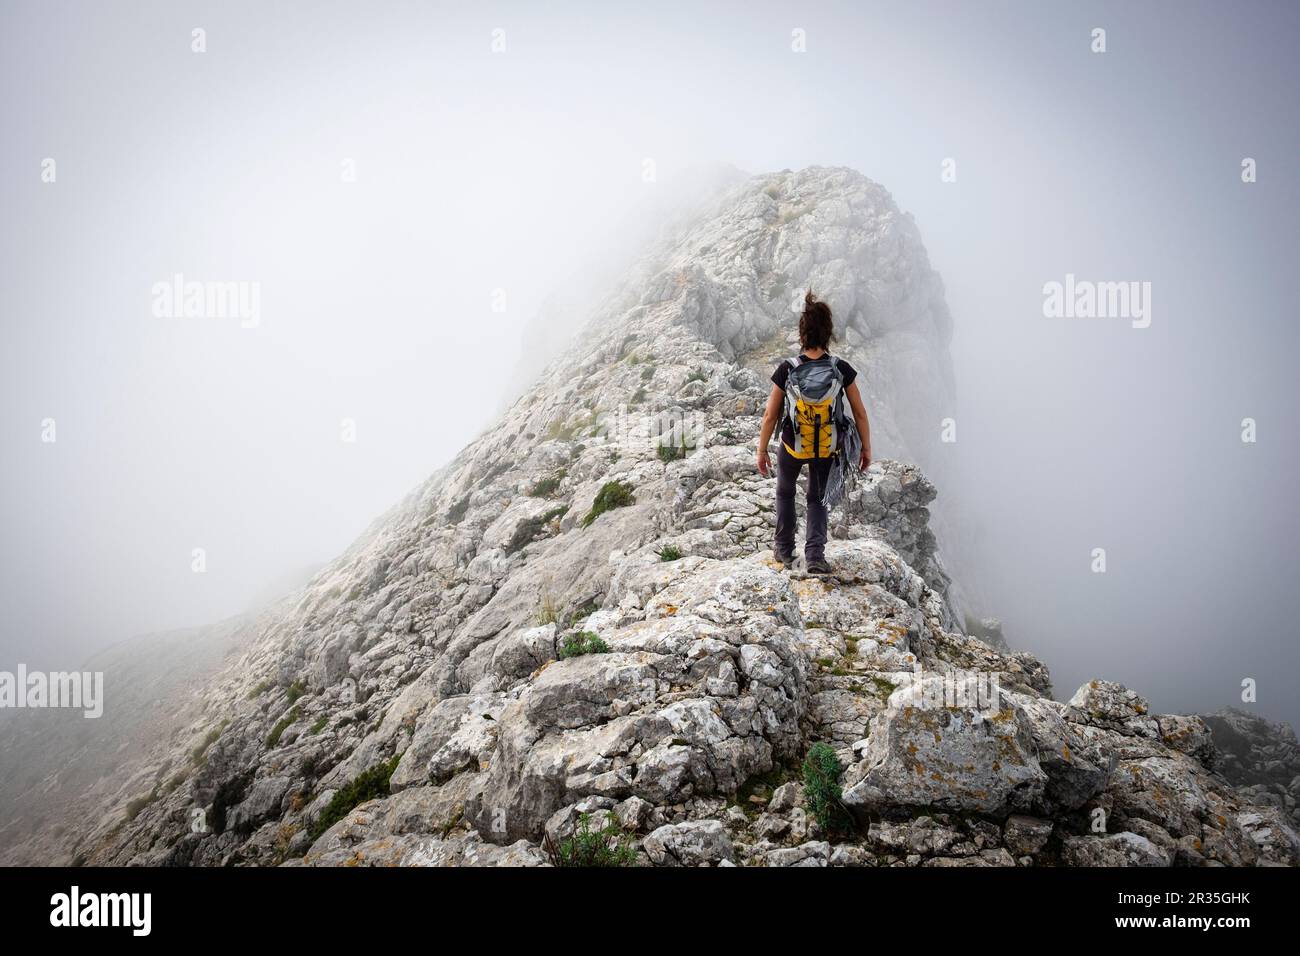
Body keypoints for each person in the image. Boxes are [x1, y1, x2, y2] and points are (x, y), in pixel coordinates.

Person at [756, 291, 872, 573]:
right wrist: (866, 448)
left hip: (793, 445)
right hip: (827, 447)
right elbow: (859, 412)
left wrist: (761, 450)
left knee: (785, 492)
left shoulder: (788, 369)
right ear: (828, 333)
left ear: (803, 333)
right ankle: (816, 557)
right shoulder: (840, 369)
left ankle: (784, 550)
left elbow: (771, 414)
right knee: (817, 499)